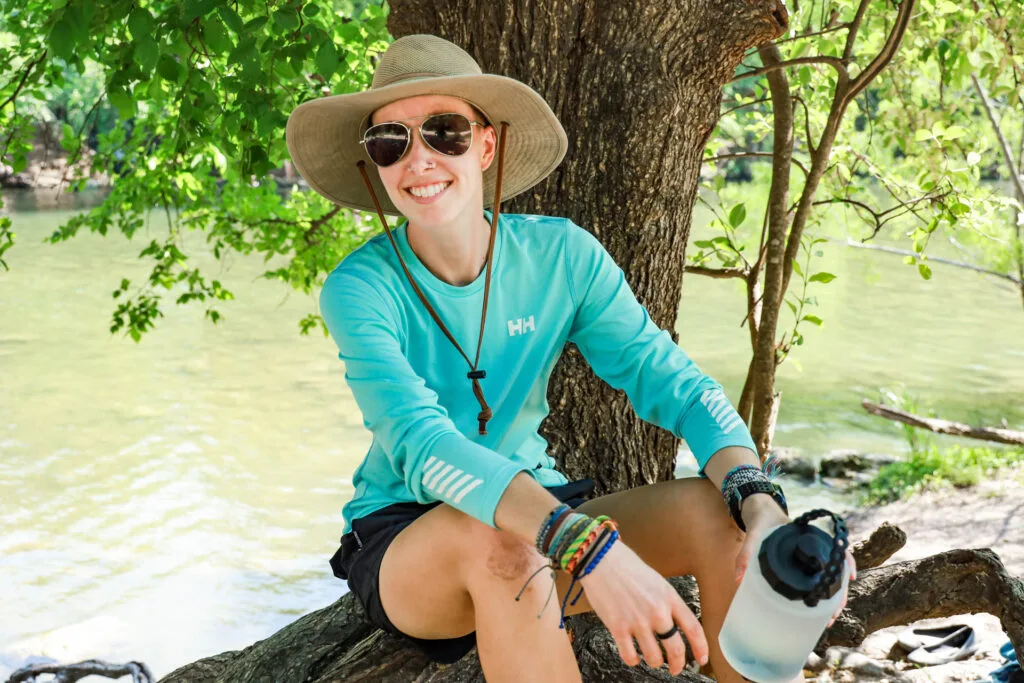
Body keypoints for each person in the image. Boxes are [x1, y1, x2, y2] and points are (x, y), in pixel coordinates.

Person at [285, 34, 852, 683]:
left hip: (542, 515)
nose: (419, 159)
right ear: (375, 165)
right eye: (391, 140)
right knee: (505, 548)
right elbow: (419, 442)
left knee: (714, 513)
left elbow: (671, 381)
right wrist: (585, 544)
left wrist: (761, 504)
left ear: (487, 143)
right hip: (411, 538)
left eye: (444, 131)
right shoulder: (360, 288)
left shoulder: (562, 257)